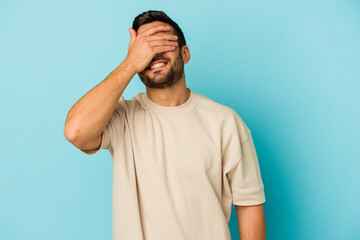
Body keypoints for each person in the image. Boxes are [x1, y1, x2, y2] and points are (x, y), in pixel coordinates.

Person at [64, 10, 266, 240]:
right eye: (145, 46)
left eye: (164, 42)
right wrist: (129, 64)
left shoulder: (225, 122)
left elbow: (250, 205)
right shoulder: (122, 118)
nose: (154, 53)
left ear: (185, 53)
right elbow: (75, 131)